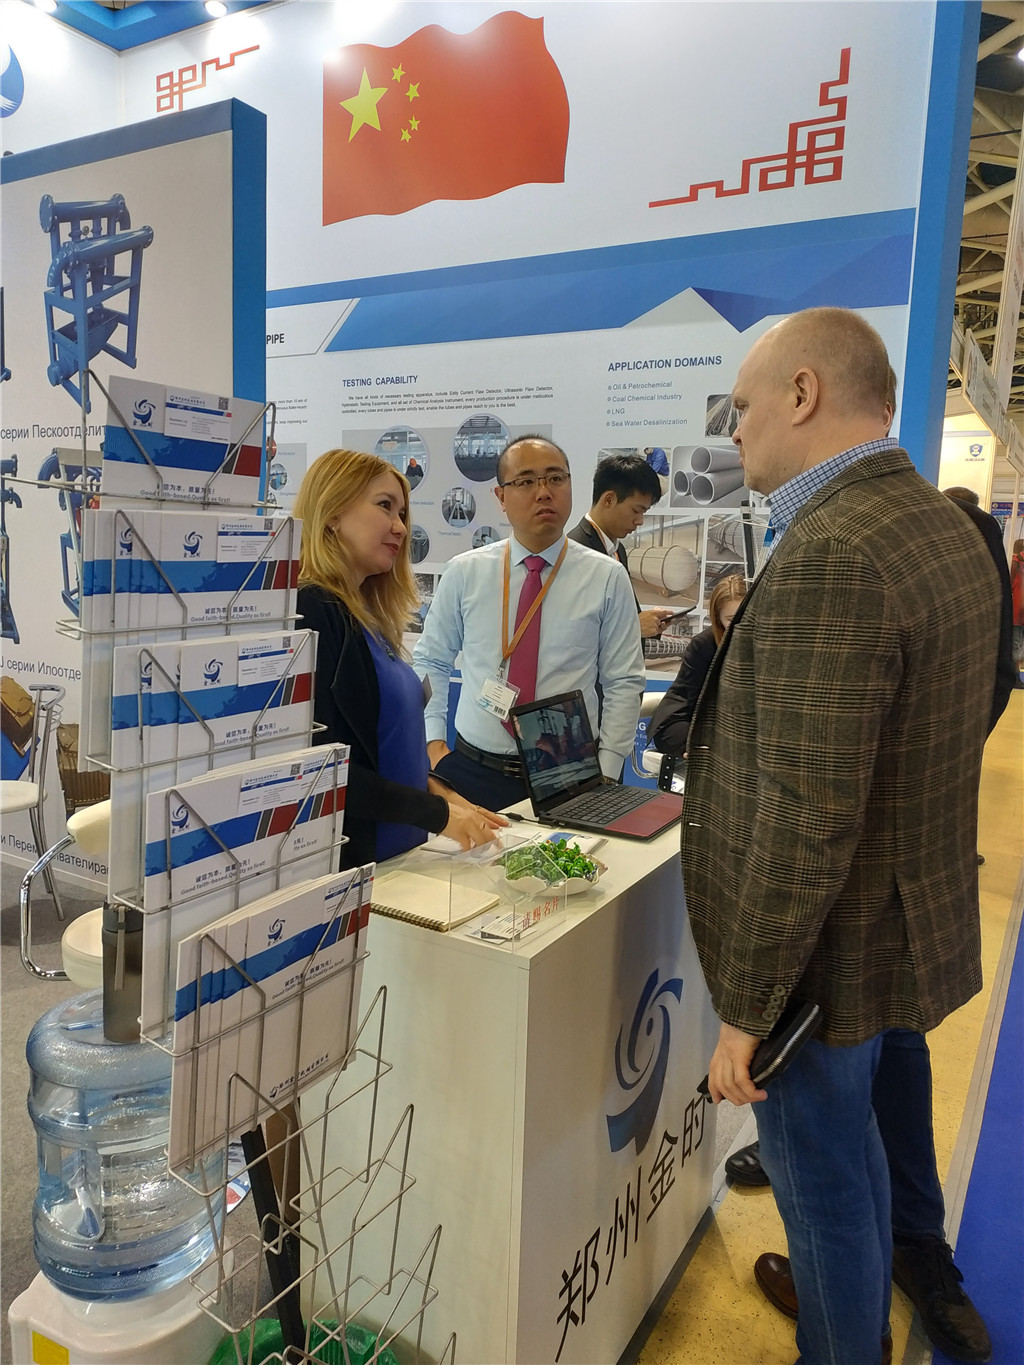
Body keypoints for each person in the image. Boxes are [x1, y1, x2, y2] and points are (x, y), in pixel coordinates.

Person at [680, 307, 1001, 1365]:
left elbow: (805, 818)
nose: (734, 431)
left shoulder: (833, 550)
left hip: (823, 956)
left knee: (819, 1190)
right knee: (851, 1156)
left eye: (741, 407)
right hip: (891, 927)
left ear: (803, 393)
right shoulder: (937, 526)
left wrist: (746, 1011)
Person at [293, 448, 505, 869]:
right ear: (332, 513)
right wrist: (436, 814)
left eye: (403, 513)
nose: (401, 527)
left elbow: (380, 751)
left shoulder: (364, 616)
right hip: (350, 868)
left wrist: (437, 791)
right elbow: (318, 766)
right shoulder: (313, 610)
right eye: (385, 506)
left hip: (397, 857)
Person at [412, 435, 646, 809]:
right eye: (525, 481)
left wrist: (607, 769)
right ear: (501, 497)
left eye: (556, 478)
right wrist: (433, 744)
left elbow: (623, 681)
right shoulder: (466, 572)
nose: (543, 492)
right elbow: (431, 660)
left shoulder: (606, 577)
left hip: (569, 773)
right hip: (473, 770)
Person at [568, 453, 675, 643]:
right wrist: (633, 627)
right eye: (636, 510)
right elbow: (570, 633)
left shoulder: (618, 550)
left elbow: (621, 615)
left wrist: (651, 625)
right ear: (608, 499)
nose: (640, 521)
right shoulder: (574, 552)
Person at [647, 573, 747, 757]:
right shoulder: (703, 645)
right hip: (697, 722)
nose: (740, 625)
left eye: (746, 617)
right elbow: (684, 702)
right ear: (718, 619)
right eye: (731, 619)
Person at [1011, 537, 1024, 672]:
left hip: (1017, 611)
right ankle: (1017, 670)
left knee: (1016, 644)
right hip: (1019, 612)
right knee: (1019, 644)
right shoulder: (1016, 565)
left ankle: (1015, 671)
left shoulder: (1015, 564)